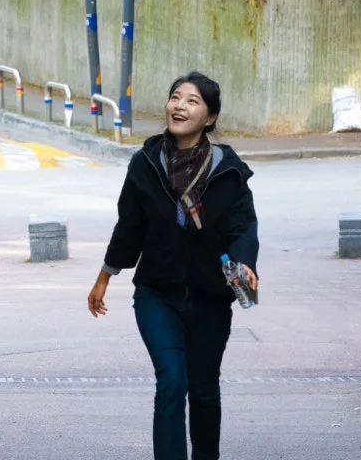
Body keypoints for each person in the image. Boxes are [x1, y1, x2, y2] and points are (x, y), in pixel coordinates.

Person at [87, 71, 259, 460]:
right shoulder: (146, 163)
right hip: (157, 294)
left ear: (210, 117)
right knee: (172, 382)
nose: (179, 106)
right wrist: (103, 278)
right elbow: (128, 228)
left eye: (192, 101)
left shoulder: (228, 169)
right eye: (175, 97)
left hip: (210, 297)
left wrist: (245, 263)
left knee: (204, 389)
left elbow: (243, 227)